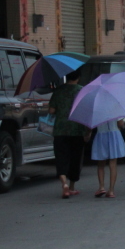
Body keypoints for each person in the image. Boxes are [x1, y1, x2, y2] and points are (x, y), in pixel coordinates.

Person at [48, 69, 88, 198]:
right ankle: (71, 187)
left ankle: (63, 183)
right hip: (77, 129)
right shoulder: (82, 91)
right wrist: (88, 131)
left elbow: (52, 110)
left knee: (61, 157)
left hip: (60, 129)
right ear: (78, 78)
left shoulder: (58, 91)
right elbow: (87, 110)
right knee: (75, 158)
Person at [91, 116, 125, 198]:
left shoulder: (97, 109)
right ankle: (111, 190)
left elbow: (92, 124)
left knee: (101, 163)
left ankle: (101, 187)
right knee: (113, 163)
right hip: (114, 134)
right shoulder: (115, 106)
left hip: (101, 135)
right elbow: (120, 123)